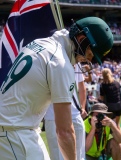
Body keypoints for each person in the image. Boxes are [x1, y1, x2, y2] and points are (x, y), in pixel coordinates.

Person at [0, 16, 113, 159]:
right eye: (89, 54)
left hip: (16, 129)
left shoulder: (40, 43)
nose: (86, 60)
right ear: (81, 39)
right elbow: (64, 131)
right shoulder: (60, 62)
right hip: (14, 133)